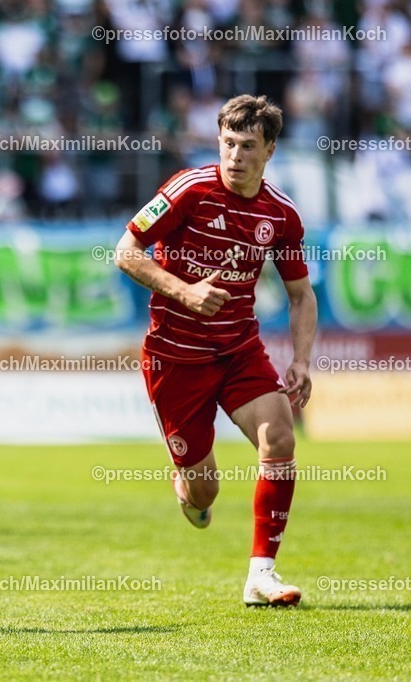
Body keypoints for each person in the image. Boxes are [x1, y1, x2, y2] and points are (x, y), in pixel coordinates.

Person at [114, 95, 317, 607]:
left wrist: (300, 361)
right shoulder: (188, 189)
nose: (235, 156)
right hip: (175, 357)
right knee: (205, 492)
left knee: (281, 439)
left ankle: (261, 575)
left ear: (269, 150)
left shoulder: (281, 215)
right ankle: (188, 490)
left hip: (238, 350)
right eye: (228, 143)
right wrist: (184, 291)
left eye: (248, 146)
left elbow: (300, 294)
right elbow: (125, 252)